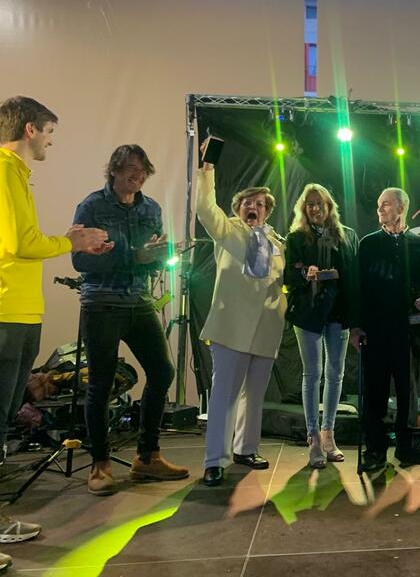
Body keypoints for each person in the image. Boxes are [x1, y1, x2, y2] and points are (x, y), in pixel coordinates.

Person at [0, 96, 110, 567]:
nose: (51, 141)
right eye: (49, 132)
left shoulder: (17, 174)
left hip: (22, 313)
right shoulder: (5, 169)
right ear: (30, 129)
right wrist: (72, 241)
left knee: (6, 418)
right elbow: (20, 243)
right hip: (7, 313)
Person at [72, 145, 190, 495]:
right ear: (115, 169)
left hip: (139, 300)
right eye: (131, 170)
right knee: (101, 384)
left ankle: (147, 456)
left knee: (162, 372)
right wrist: (133, 255)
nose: (138, 177)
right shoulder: (92, 206)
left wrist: (161, 255)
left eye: (143, 171)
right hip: (102, 303)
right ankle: (100, 464)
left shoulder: (151, 208)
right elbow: (80, 261)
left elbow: (151, 259)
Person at [196, 139, 286, 487]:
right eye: (248, 202)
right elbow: (206, 210)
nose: (254, 207)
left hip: (266, 328)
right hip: (232, 327)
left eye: (260, 204)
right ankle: (214, 461)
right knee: (224, 396)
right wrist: (207, 169)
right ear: (238, 207)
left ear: (267, 211)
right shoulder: (228, 231)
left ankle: (246, 449)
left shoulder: (276, 242)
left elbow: (278, 281)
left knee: (255, 396)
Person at [355, 188, 420, 471]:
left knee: (408, 389)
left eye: (385, 204)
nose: (379, 210)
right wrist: (356, 326)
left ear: (401, 208)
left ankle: (408, 446)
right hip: (375, 329)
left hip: (410, 329)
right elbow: (358, 286)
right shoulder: (368, 244)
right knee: (374, 390)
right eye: (379, 205)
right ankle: (375, 449)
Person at [284, 183, 359, 468]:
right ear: (303, 209)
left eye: (319, 203)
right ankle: (313, 437)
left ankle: (329, 433)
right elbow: (288, 276)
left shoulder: (346, 236)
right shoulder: (296, 238)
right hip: (308, 314)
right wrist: (306, 273)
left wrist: (356, 318)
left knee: (336, 373)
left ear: (329, 206)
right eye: (310, 204)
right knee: (312, 373)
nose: (315, 208)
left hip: (339, 313)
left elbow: (353, 278)